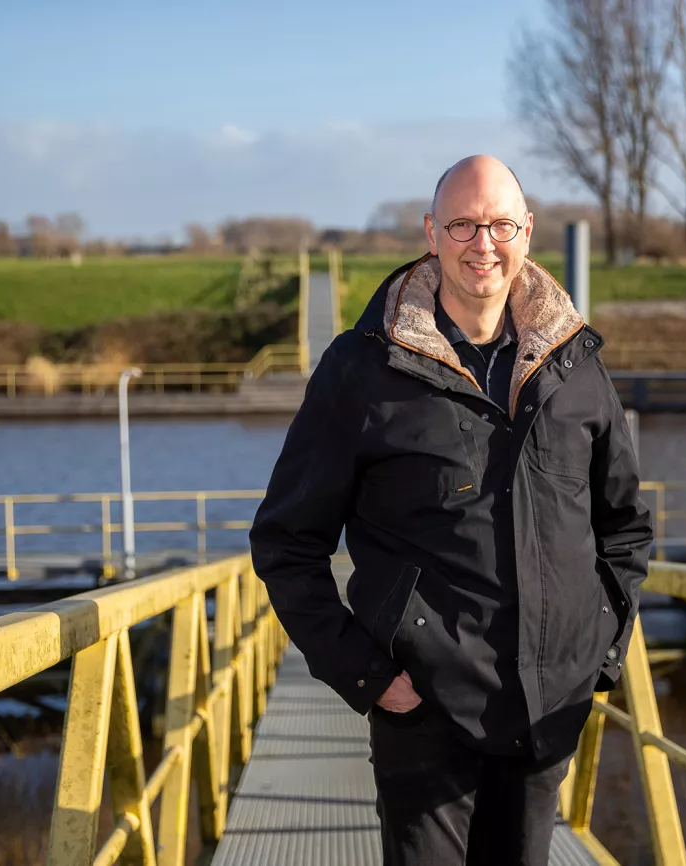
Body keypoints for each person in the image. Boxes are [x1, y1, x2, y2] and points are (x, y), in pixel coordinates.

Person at [249, 154, 651, 865]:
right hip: (424, 713)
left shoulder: (576, 368)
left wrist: (601, 655)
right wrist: (369, 678)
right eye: (463, 224)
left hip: (545, 712)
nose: (482, 243)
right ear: (431, 233)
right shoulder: (362, 368)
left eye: (499, 224)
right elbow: (286, 543)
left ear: (527, 232)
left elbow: (623, 526)